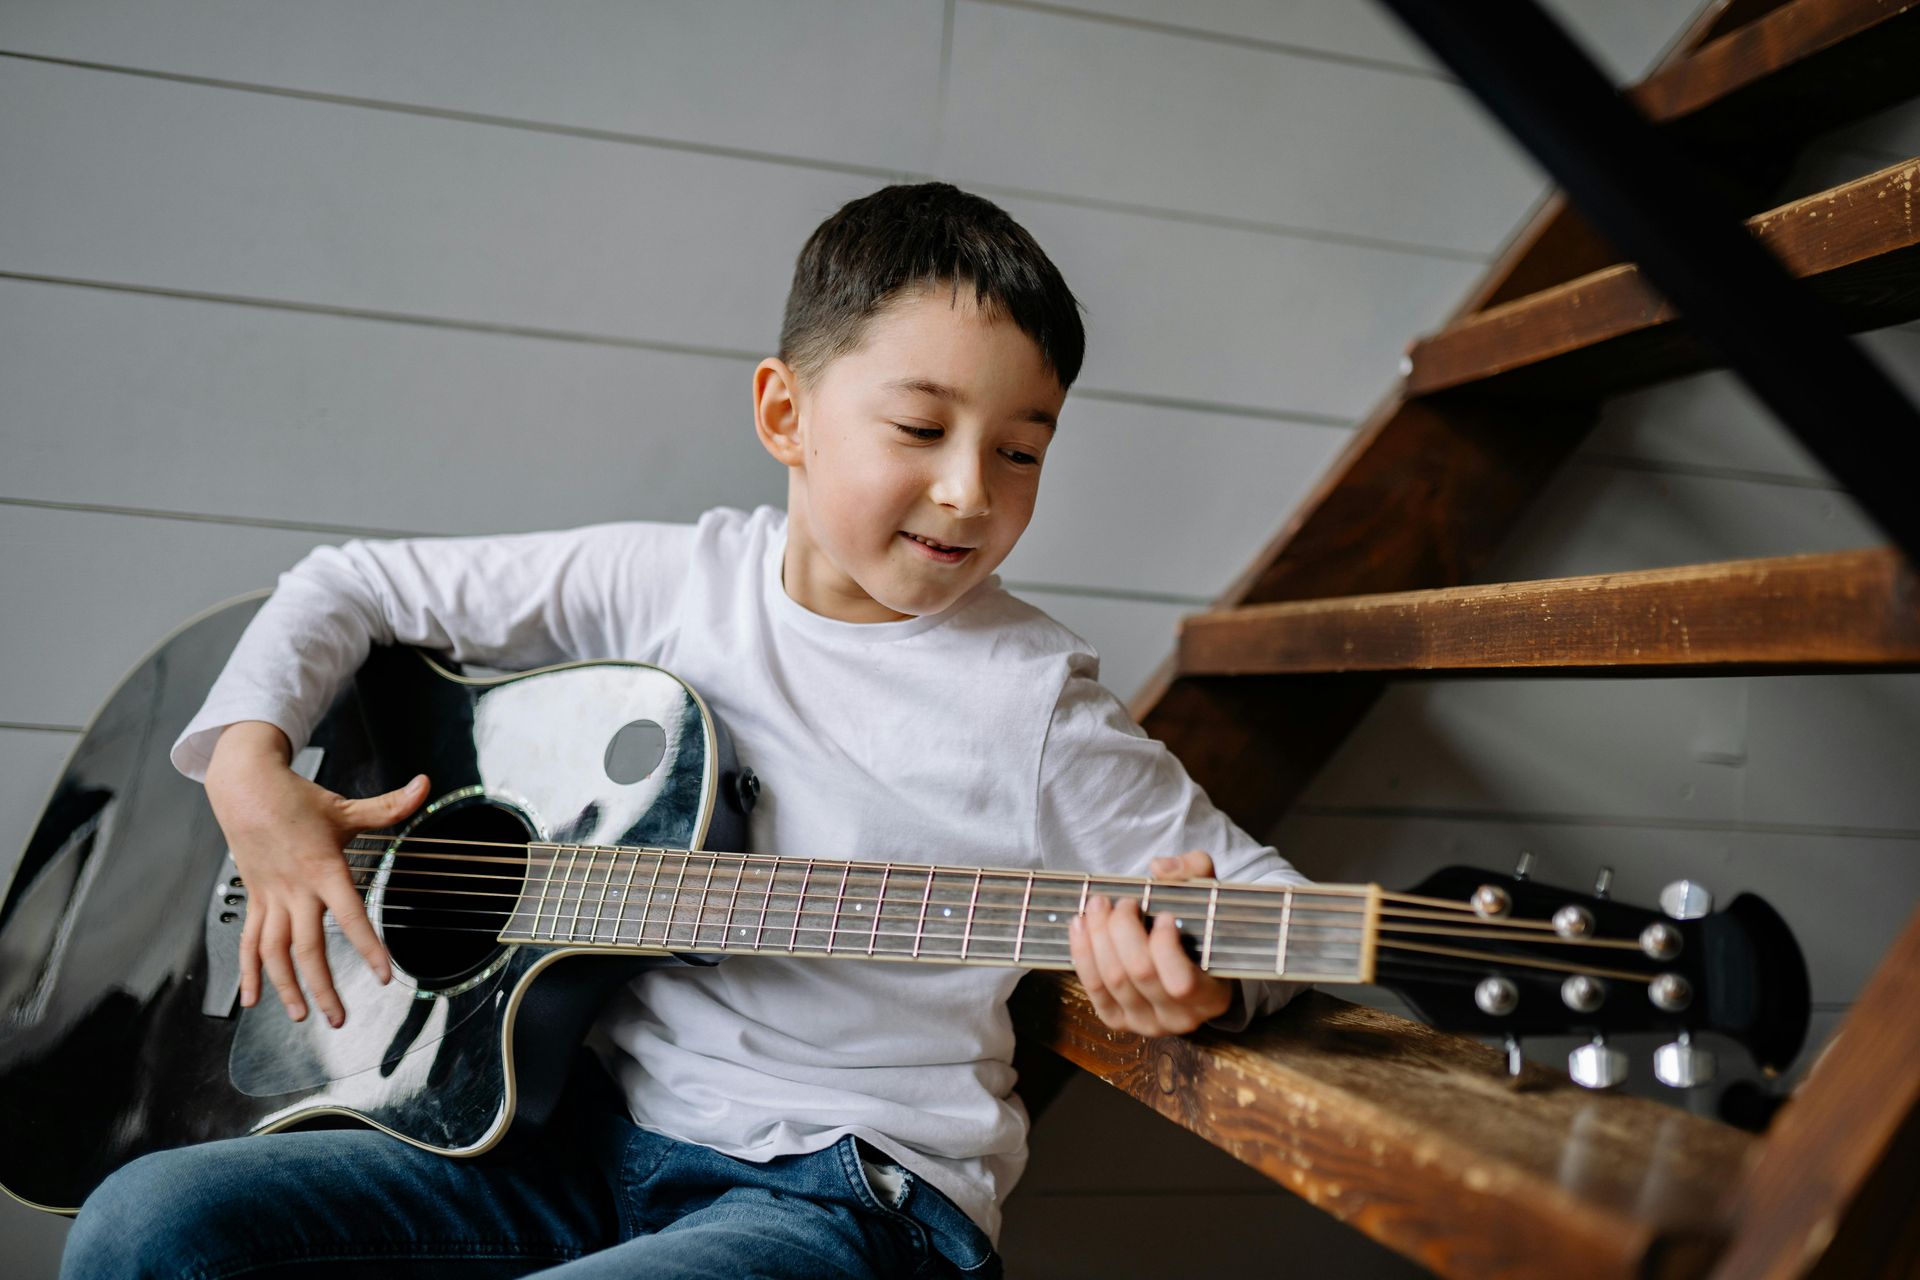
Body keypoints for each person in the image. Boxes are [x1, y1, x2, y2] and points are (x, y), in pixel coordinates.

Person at [61, 182, 1308, 1279]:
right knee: (142, 1227)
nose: (971, 490)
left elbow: (1262, 899)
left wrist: (1211, 980)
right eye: (922, 428)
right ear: (785, 415)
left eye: (1023, 450)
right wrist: (249, 761)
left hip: (848, 1196)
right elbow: (350, 583)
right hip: (578, 1140)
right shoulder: (670, 582)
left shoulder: (1032, 701)